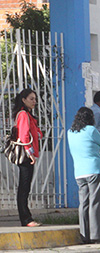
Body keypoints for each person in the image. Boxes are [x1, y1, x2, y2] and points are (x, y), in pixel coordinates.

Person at [67, 107, 100, 244]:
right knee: (96, 203)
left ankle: (84, 235)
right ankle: (97, 235)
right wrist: (99, 149)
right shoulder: (91, 130)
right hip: (94, 170)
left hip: (79, 172)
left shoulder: (70, 132)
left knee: (84, 203)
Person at [12, 88, 43, 227]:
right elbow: (24, 136)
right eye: (31, 99)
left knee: (26, 186)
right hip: (26, 155)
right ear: (23, 100)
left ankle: (27, 217)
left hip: (28, 154)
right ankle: (26, 219)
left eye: (35, 99)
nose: (34, 101)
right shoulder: (23, 114)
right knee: (24, 187)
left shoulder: (29, 115)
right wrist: (30, 153)